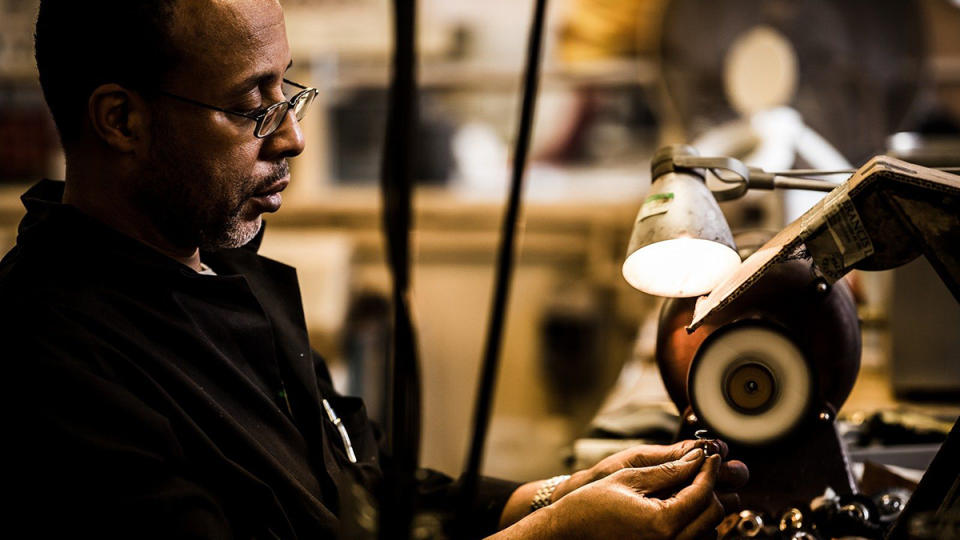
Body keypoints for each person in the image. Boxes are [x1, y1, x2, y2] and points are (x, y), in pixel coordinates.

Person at [3, 1, 747, 538]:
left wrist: (555, 493)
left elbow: (361, 490)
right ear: (121, 120)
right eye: (251, 107)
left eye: (287, 89)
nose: (292, 136)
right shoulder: (49, 362)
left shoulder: (234, 273)